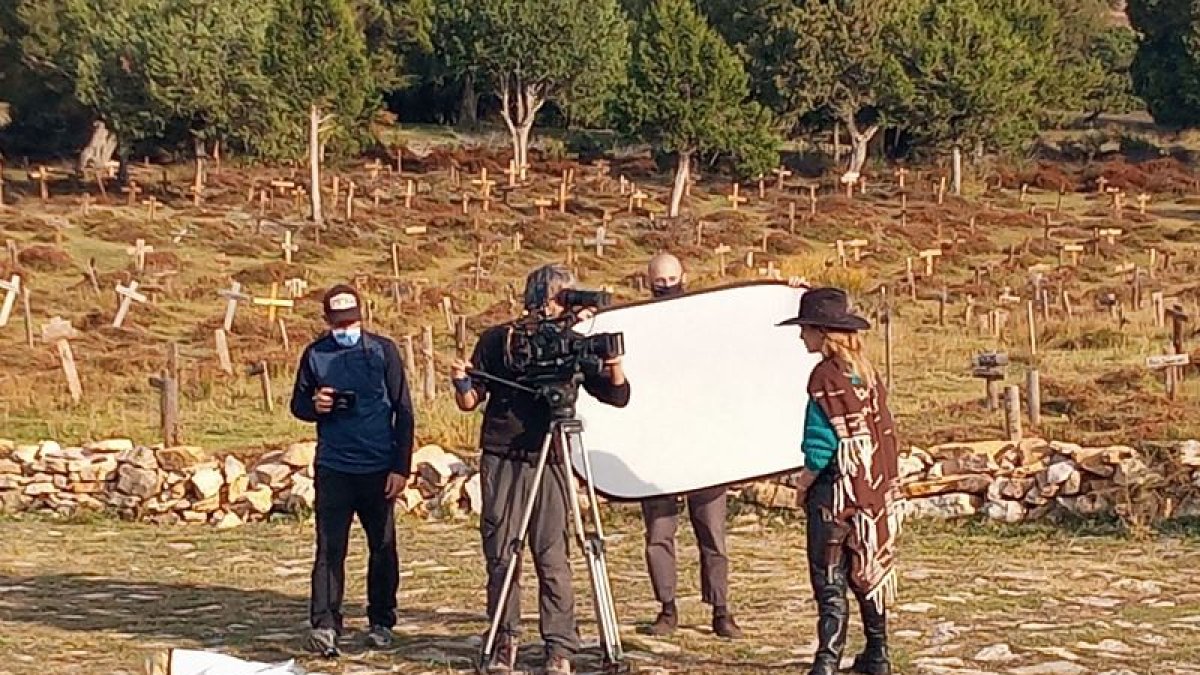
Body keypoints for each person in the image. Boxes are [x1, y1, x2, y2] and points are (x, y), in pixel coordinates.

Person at [450, 264, 631, 675]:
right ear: (538, 299)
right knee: (502, 552)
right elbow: (470, 399)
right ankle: (503, 640)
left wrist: (613, 360)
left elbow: (618, 395)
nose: (563, 307)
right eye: (558, 297)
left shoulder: (574, 345)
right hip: (503, 453)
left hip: (551, 457)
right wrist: (461, 381)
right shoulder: (501, 340)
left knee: (553, 556)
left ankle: (560, 646)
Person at [777, 286, 902, 675]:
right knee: (865, 567)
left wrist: (803, 483)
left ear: (821, 331)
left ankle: (826, 661)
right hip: (870, 489)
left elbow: (822, 443)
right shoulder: (866, 372)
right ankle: (877, 654)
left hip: (835, 489)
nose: (801, 336)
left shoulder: (824, 376)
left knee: (829, 576)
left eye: (805, 329)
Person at [289, 284, 416, 658]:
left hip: (379, 468)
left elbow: (403, 410)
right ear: (327, 320)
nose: (346, 328)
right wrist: (316, 405)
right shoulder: (314, 354)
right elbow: (298, 405)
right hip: (334, 467)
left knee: (383, 547)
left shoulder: (383, 351)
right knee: (329, 549)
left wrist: (401, 466)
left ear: (362, 316)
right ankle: (325, 624)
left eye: (351, 321)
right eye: (338, 322)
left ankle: (381, 620)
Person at [638, 252, 741, 639]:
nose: (665, 286)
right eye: (658, 281)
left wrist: (788, 294)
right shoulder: (638, 326)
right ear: (648, 281)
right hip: (658, 447)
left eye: (671, 279)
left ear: (685, 277)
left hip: (704, 443)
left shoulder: (705, 325)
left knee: (712, 532)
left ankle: (721, 609)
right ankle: (667, 608)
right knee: (658, 533)